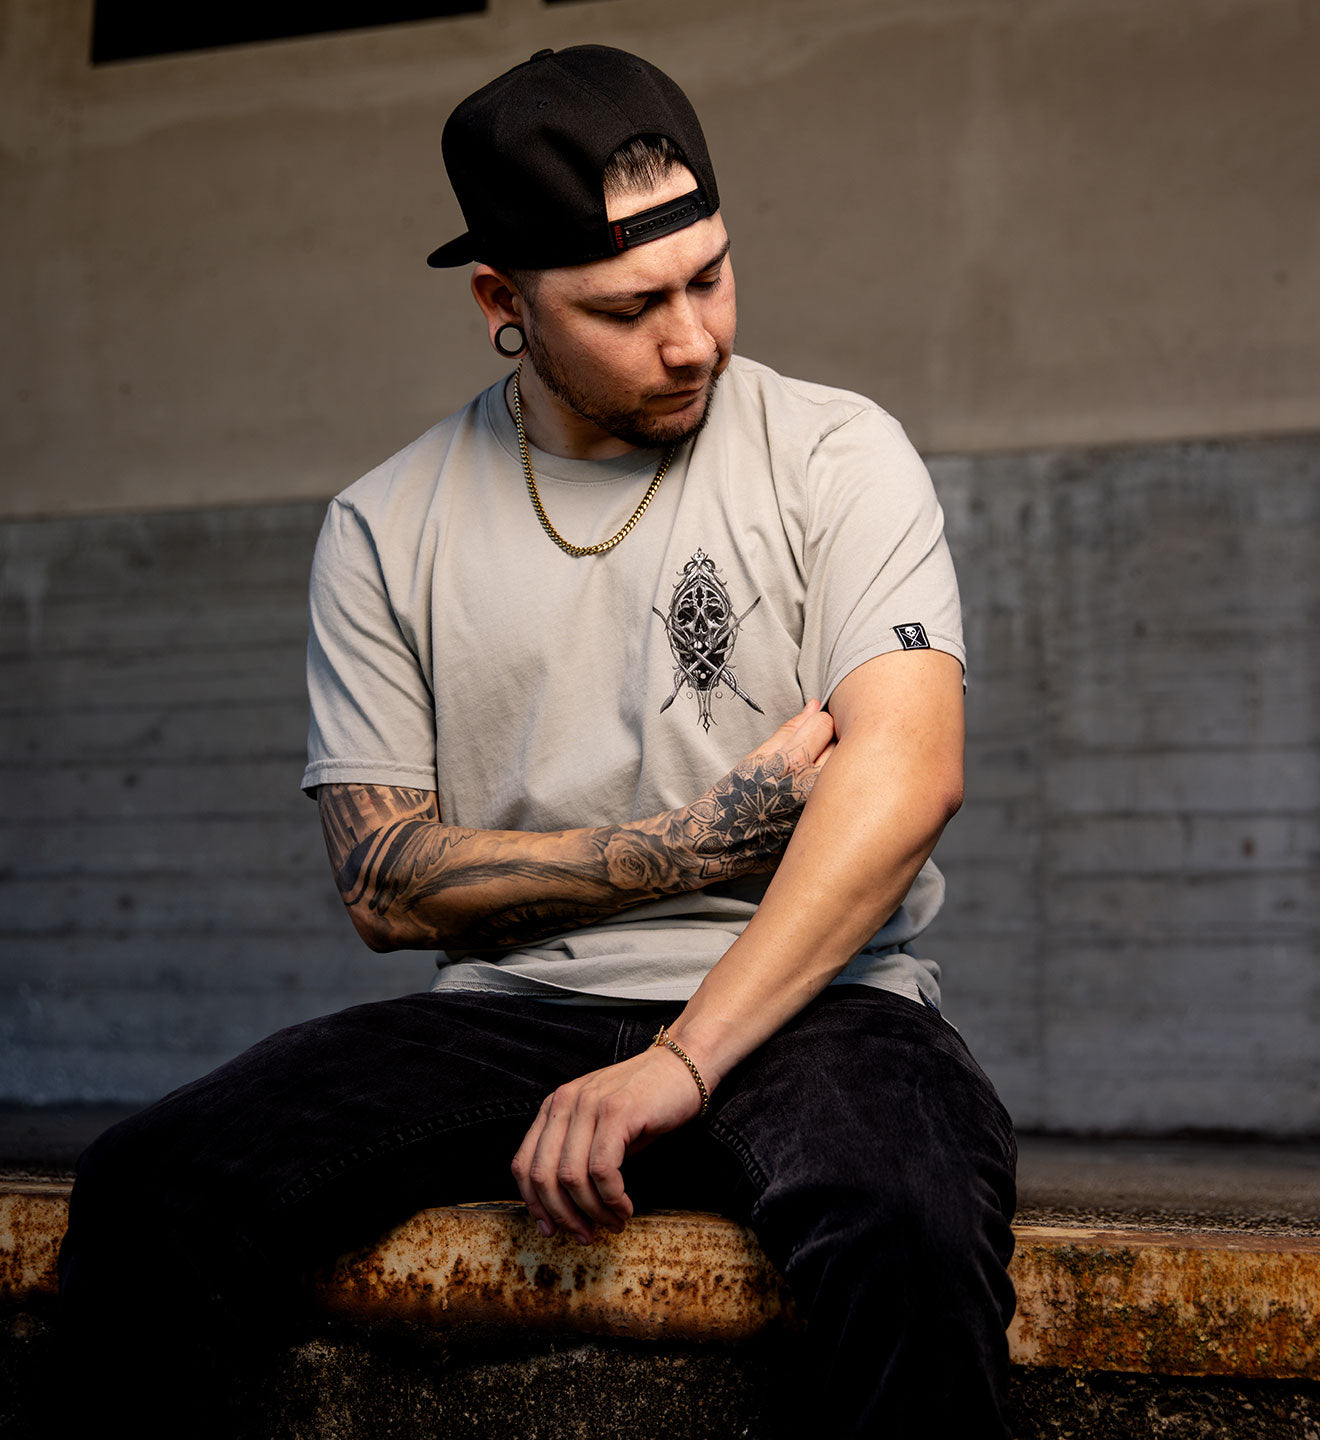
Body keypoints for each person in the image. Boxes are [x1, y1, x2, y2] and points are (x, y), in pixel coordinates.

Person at [59, 45, 1017, 1438]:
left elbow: (909, 771)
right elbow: (387, 885)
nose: (694, 337)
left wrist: (680, 1061)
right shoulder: (386, 526)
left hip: (825, 1001)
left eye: (711, 275)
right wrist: (695, 844)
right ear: (503, 302)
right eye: (632, 307)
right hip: (513, 1015)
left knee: (903, 1220)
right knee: (156, 1184)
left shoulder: (835, 453)